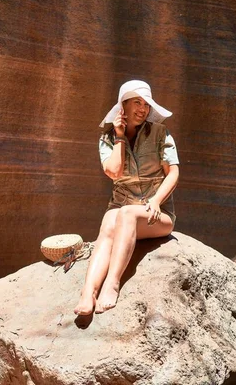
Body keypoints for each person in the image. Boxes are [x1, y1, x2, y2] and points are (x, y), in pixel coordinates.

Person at [74, 80, 180, 315]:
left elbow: (173, 173)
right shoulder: (107, 137)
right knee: (109, 224)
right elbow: (114, 172)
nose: (143, 109)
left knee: (127, 214)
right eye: (137, 102)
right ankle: (88, 293)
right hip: (122, 204)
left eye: (146, 104)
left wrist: (155, 200)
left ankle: (112, 284)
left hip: (156, 213)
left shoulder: (160, 133)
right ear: (123, 106)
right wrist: (120, 136)